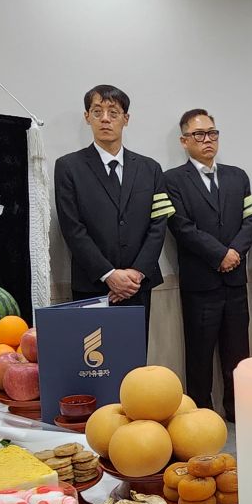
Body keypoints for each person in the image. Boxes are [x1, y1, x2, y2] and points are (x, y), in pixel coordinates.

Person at [165, 109, 252, 422]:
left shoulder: (238, 176)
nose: (207, 140)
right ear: (184, 141)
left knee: (238, 352)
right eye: (199, 134)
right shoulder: (172, 180)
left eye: (212, 133)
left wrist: (235, 252)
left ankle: (239, 410)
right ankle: (200, 417)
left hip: (235, 282)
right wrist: (220, 255)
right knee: (199, 355)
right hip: (200, 284)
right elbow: (181, 226)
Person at [55, 85, 170, 331]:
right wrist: (109, 274)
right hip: (93, 285)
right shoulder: (68, 167)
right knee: (94, 355)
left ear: (126, 119)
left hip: (138, 285)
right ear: (87, 117)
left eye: (113, 112)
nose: (105, 119)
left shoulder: (150, 168)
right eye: (97, 112)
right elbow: (72, 228)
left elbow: (158, 225)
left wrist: (136, 273)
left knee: (135, 352)